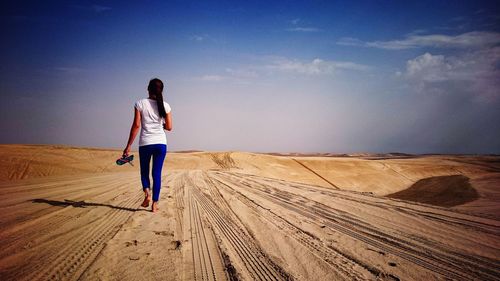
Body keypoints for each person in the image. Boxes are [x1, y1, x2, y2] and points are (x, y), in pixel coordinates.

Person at [123, 78, 172, 213]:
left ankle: (147, 194)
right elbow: (169, 127)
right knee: (156, 174)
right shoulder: (166, 106)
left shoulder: (140, 104)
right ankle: (155, 204)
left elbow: (136, 125)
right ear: (161, 90)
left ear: (148, 89)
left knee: (144, 171)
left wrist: (128, 146)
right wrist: (160, 125)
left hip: (145, 143)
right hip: (161, 144)